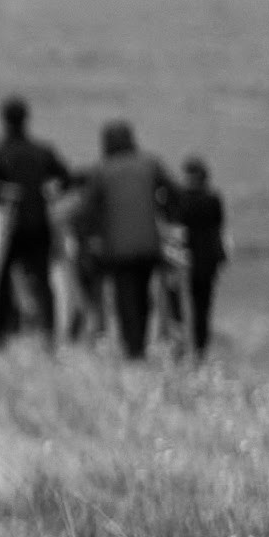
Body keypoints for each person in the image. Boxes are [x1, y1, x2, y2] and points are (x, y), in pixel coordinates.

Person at [0, 96, 71, 351]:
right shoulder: (42, 152)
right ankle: (49, 334)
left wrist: (3, 194)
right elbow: (66, 178)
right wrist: (47, 193)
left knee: (1, 283)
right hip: (39, 225)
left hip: (10, 226)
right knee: (43, 281)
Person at [83, 119, 175, 361]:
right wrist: (167, 218)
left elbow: (87, 209)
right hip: (149, 245)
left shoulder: (101, 170)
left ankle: (132, 348)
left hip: (117, 248)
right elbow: (174, 194)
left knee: (125, 298)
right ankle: (140, 343)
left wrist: (92, 240)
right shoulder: (151, 164)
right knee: (143, 295)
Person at [168, 155, 227, 356]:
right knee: (203, 307)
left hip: (186, 259)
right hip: (209, 259)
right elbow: (219, 226)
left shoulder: (181, 199)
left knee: (183, 306)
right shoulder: (213, 198)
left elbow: (176, 227)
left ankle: (183, 347)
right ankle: (200, 348)